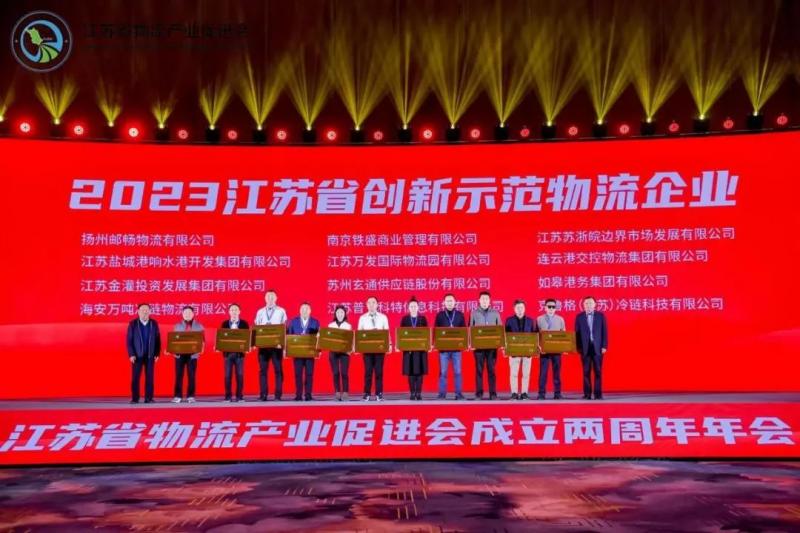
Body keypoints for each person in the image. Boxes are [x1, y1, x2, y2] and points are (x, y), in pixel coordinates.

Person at [254, 289, 287, 401]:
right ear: (265, 298)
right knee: (262, 371)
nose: (270, 298)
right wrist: (256, 343)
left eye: (272, 296)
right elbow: (256, 328)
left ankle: (278, 395)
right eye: (268, 296)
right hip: (263, 346)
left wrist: (282, 344)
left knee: (278, 370)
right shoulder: (260, 312)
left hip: (276, 346)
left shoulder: (281, 311)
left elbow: (284, 328)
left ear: (276, 298)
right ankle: (263, 394)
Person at [469, 291, 502, 400]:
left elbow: (500, 329)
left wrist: (500, 343)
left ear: (489, 301)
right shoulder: (474, 313)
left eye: (486, 299)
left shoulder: (495, 313)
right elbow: (470, 329)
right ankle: (479, 393)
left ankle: (493, 393)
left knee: (491, 370)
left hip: (492, 347)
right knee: (479, 370)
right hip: (478, 347)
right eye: (482, 299)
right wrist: (471, 343)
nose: (484, 301)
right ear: (479, 300)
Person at [126, 303, 161, 403]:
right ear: (138, 312)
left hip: (150, 355)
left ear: (150, 311)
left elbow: (158, 339)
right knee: (135, 377)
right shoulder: (133, 324)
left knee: (150, 377)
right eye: (142, 310)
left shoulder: (154, 323)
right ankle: (135, 398)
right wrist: (131, 354)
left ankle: (148, 398)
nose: (145, 312)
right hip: (137, 355)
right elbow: (129, 341)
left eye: (147, 310)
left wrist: (157, 353)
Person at [357, 296, 390, 401]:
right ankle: (366, 393)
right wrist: (358, 347)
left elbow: (387, 332)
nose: (371, 305)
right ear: (366, 305)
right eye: (369, 303)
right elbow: (359, 334)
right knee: (368, 372)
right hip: (367, 349)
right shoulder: (362, 318)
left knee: (379, 372)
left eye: (373, 302)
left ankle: (379, 393)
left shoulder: (383, 317)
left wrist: (389, 345)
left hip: (380, 349)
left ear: (377, 305)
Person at [575, 296, 609, 400]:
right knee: (586, 372)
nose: (588, 305)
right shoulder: (579, 317)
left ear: (595, 305)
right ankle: (587, 394)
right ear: (583, 305)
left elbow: (604, 332)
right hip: (585, 348)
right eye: (586, 303)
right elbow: (576, 334)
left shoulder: (600, 316)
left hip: (597, 347)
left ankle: (598, 394)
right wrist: (578, 347)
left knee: (598, 371)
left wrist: (604, 346)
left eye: (590, 303)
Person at [434, 293, 466, 400]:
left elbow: (464, 331)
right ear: (444, 303)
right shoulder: (440, 315)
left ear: (455, 302)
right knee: (443, 372)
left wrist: (464, 344)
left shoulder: (460, 315)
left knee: (458, 372)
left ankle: (458, 394)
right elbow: (436, 331)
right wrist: (436, 344)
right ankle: (442, 394)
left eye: (451, 301)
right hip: (444, 350)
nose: (449, 303)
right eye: (447, 301)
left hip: (456, 349)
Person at [504, 299, 537, 400]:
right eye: (518, 307)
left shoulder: (530, 321)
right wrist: (506, 348)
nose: (520, 309)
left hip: (527, 351)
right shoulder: (509, 320)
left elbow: (534, 335)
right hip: (514, 351)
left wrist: (534, 349)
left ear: (525, 308)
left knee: (526, 373)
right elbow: (505, 336)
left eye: (522, 307)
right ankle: (514, 393)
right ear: (514, 309)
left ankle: (524, 393)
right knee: (513, 373)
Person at [287, 302, 320, 401]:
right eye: (303, 309)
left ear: (310, 311)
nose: (304, 310)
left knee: (309, 374)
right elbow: (289, 336)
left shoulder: (315, 322)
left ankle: (308, 395)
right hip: (297, 352)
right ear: (300, 310)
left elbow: (318, 338)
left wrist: (319, 350)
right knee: (298, 374)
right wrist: (288, 350)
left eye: (306, 309)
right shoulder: (293, 321)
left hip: (310, 352)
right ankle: (298, 395)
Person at [170, 306, 204, 404]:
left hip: (192, 355)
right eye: (185, 313)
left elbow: (203, 341)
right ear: (182, 314)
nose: (187, 314)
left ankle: (191, 396)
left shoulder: (199, 326)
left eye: (189, 313)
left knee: (191, 376)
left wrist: (200, 349)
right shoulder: (177, 326)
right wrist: (172, 350)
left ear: (193, 314)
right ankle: (178, 396)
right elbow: (173, 340)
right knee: (179, 375)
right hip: (179, 355)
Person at [536, 298, 566, 400]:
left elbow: (564, 335)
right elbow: (536, 335)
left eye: (553, 307)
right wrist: (539, 346)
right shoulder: (539, 319)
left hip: (556, 350)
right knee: (543, 373)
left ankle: (557, 393)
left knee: (557, 372)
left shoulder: (560, 319)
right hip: (544, 350)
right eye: (549, 306)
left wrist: (563, 347)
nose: (551, 309)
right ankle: (541, 393)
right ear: (545, 307)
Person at [400, 297, 429, 400]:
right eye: (411, 306)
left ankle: (419, 393)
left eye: (415, 306)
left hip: (420, 349)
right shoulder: (405, 319)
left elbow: (427, 333)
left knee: (420, 372)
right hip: (409, 350)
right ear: (408, 308)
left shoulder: (422, 319)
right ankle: (412, 393)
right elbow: (401, 334)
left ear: (418, 307)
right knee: (411, 372)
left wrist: (427, 345)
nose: (413, 308)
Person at [219, 303, 249, 402]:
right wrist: (219, 346)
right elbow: (221, 338)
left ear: (239, 311)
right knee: (227, 376)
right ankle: (228, 396)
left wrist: (247, 347)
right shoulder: (224, 324)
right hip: (227, 354)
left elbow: (247, 338)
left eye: (236, 310)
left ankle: (239, 396)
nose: (234, 312)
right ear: (229, 312)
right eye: (232, 310)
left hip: (240, 354)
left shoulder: (244, 324)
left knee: (240, 375)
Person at [327, 305, 352, 401]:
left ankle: (345, 392)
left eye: (342, 312)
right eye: (338, 312)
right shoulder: (331, 325)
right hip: (333, 351)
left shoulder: (348, 326)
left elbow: (350, 339)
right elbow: (328, 339)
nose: (340, 314)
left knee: (344, 372)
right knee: (335, 372)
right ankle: (337, 392)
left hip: (344, 352)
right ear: (335, 314)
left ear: (344, 314)